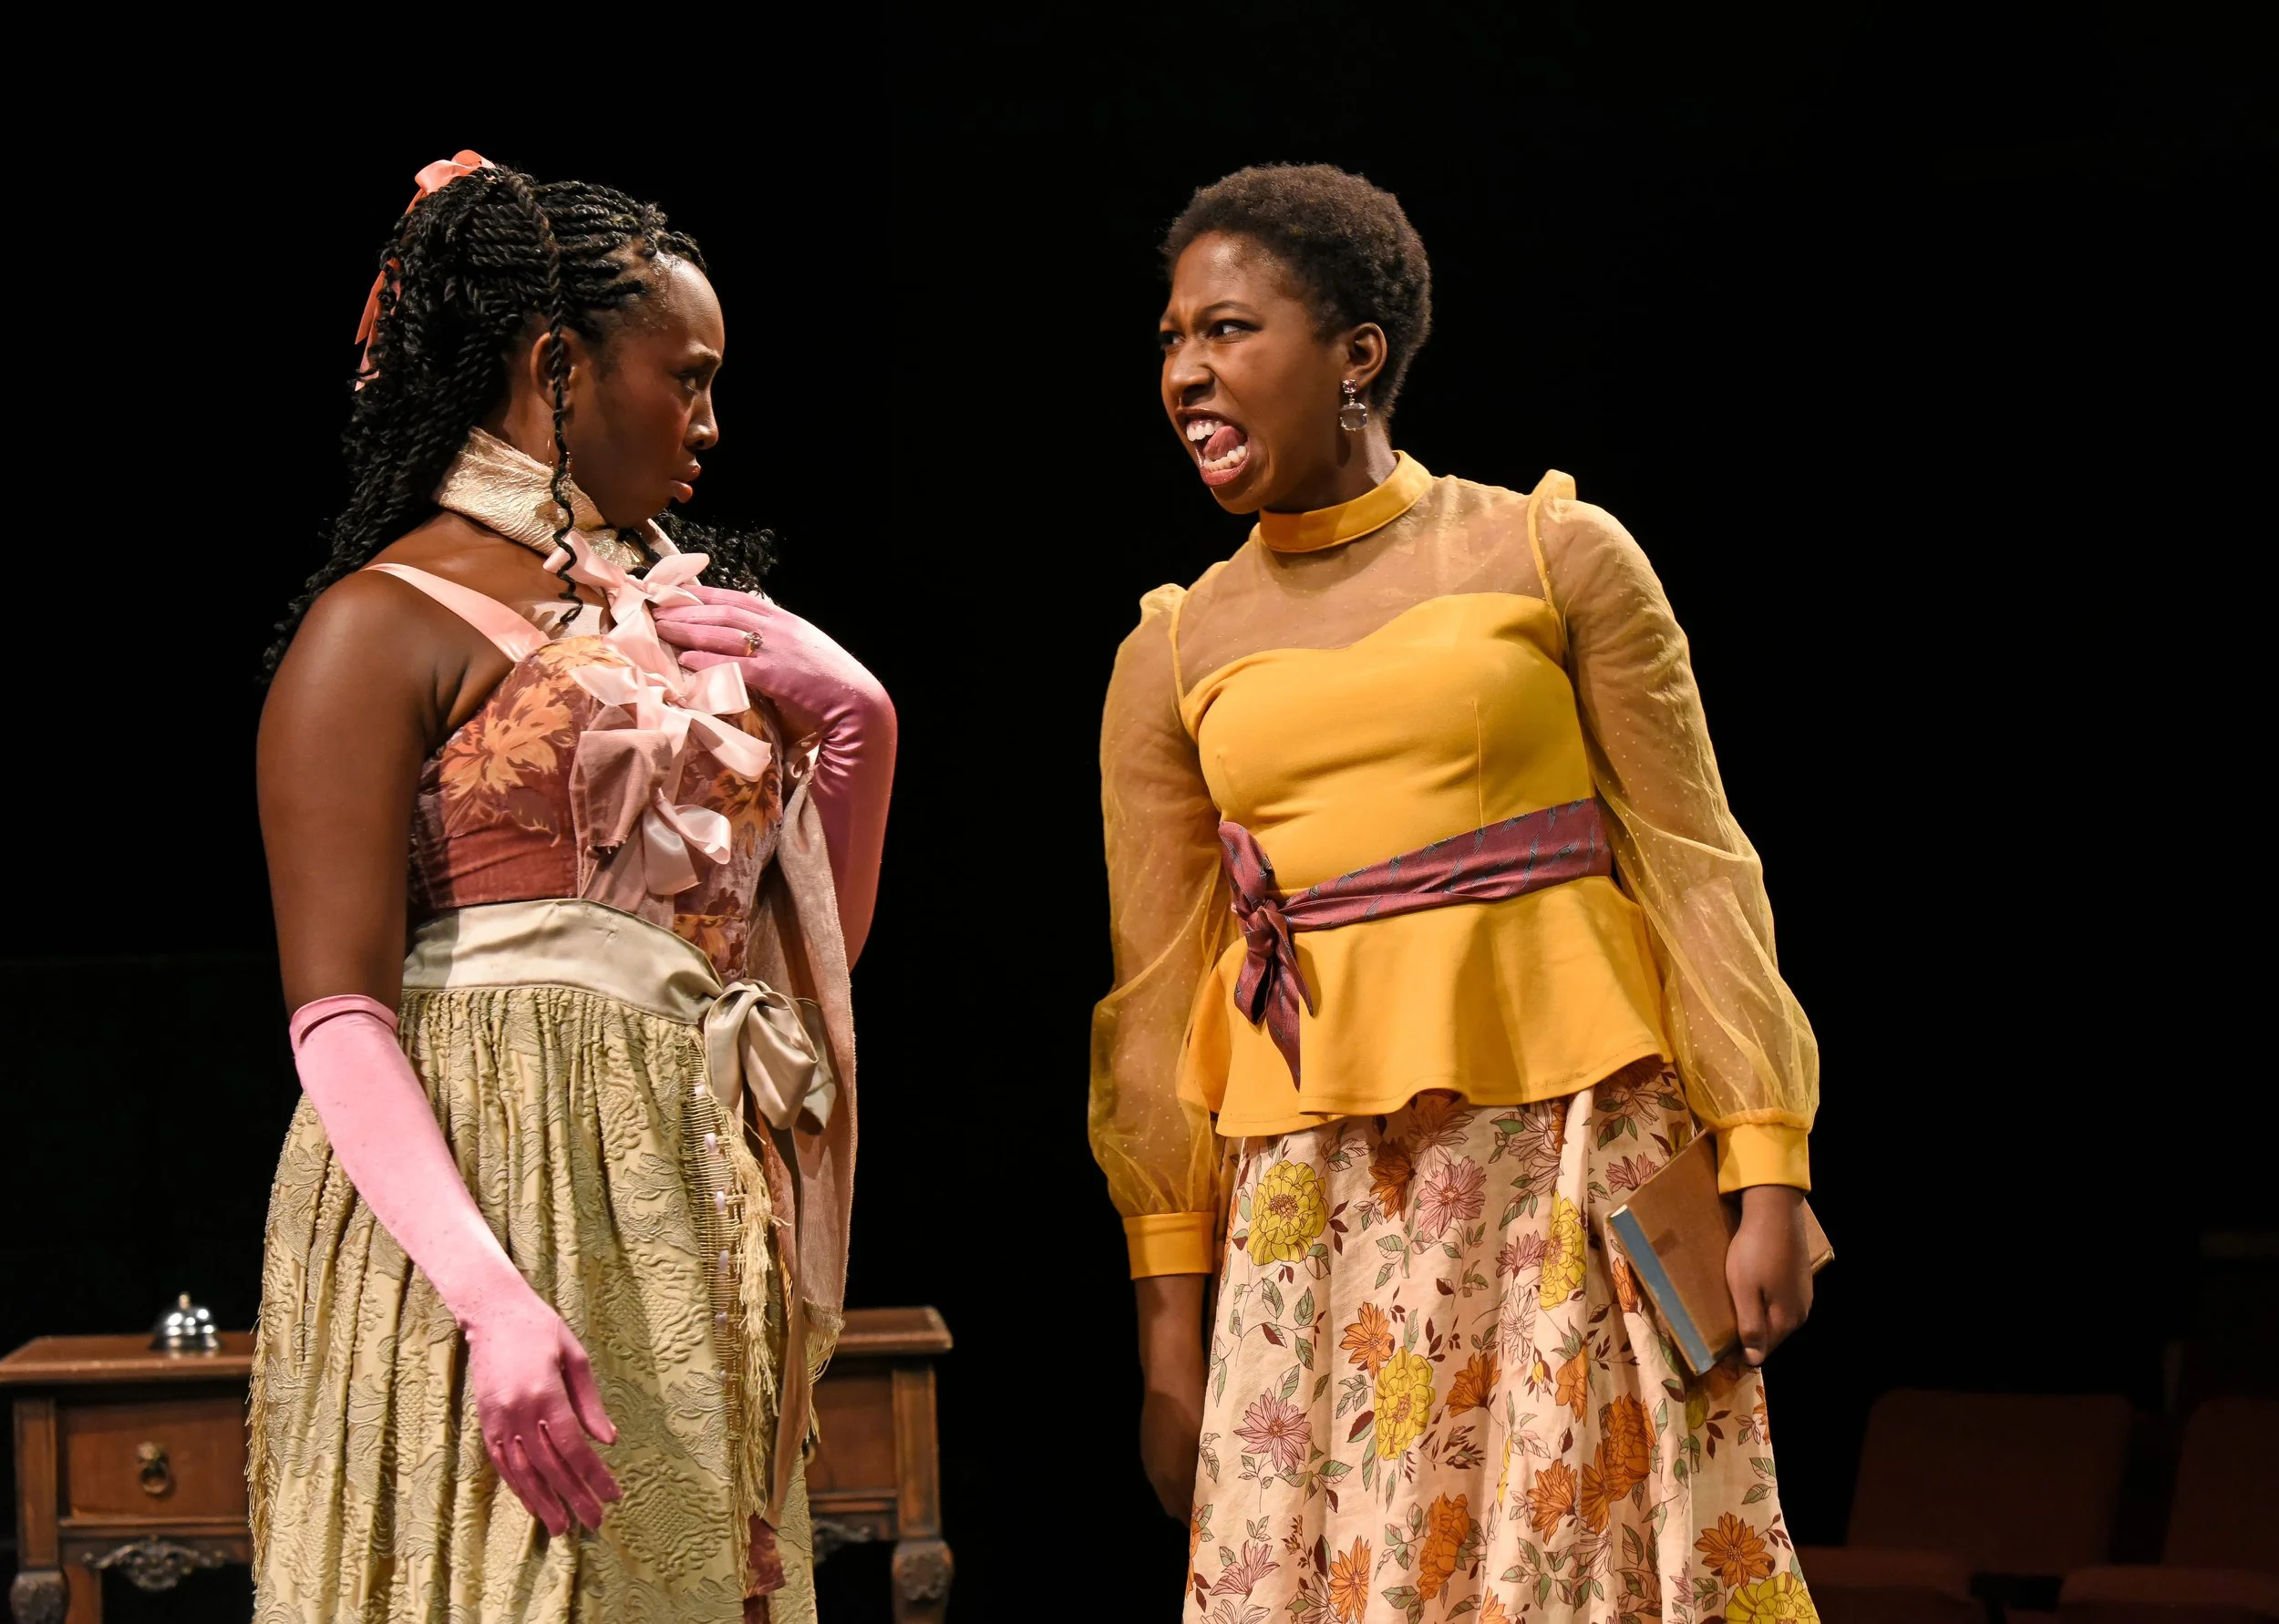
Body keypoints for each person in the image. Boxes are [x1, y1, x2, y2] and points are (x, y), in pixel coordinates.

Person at [1090, 163, 1820, 1622]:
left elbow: (1696, 865)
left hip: (1566, 1153)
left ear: (1357, 353)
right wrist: (1170, 1340)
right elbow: (1153, 1014)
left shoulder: (1553, 553)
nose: (1185, 371)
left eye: (1228, 329)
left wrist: (1770, 1165)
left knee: (1574, 1560)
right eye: (1171, 338)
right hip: (1317, 1192)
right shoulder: (1172, 649)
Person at [251, 151, 894, 1623]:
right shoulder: (378, 624)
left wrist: (860, 727)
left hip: (677, 1196)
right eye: (689, 379)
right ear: (557, 365)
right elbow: (337, 1015)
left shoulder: (689, 630)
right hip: (482, 1198)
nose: (711, 424)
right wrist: (488, 1295)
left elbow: (799, 983)